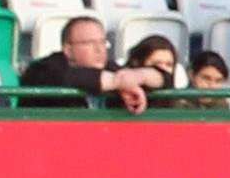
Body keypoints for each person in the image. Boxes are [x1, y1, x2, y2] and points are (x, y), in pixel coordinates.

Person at [22, 13, 167, 107]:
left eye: (103, 42)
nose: (99, 49)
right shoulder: (45, 69)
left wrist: (138, 76)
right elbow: (69, 77)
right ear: (68, 50)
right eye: (90, 43)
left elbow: (165, 78)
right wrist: (118, 82)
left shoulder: (110, 68)